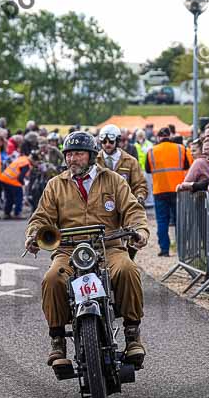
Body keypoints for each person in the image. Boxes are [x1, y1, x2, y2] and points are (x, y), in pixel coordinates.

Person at [24, 132, 150, 372]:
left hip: (108, 247)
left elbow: (133, 210)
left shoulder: (113, 180)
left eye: (79, 154)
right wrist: (34, 235)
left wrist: (140, 231)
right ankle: (58, 341)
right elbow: (41, 217)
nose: (73, 159)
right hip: (68, 250)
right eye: (69, 154)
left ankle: (133, 335)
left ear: (92, 156)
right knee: (51, 279)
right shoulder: (55, 184)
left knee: (128, 270)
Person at [145, 127, 192, 257]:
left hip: (159, 190)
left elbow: (148, 170)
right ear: (170, 136)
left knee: (162, 221)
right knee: (179, 220)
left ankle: (164, 249)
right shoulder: (180, 149)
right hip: (177, 190)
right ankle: (181, 250)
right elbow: (187, 166)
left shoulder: (151, 151)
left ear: (158, 137)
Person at [96, 124, 147, 204]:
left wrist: (140, 197)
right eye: (104, 141)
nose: (107, 144)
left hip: (124, 206)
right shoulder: (94, 161)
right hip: (100, 206)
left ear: (117, 141)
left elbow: (139, 184)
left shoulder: (131, 161)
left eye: (111, 141)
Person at [0, 147, 36, 219]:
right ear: (34, 160)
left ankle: (7, 213)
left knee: (9, 197)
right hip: (12, 181)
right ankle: (17, 213)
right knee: (19, 197)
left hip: (4, 178)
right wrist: (23, 184)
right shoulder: (26, 164)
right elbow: (20, 178)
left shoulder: (23, 158)